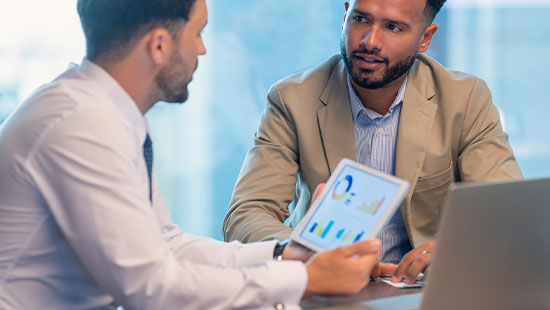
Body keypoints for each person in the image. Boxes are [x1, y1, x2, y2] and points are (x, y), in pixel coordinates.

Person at [0, 1, 384, 309]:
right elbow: (151, 289)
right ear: (159, 45)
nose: (202, 47)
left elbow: (166, 244)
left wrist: (287, 253)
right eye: (198, 32)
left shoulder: (106, 112)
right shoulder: (83, 125)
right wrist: (307, 279)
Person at [223, 0, 523, 284]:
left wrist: (451, 253)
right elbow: (246, 214)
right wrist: (303, 252)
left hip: (424, 290)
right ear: (345, 16)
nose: (369, 41)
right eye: (360, 19)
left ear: (425, 38)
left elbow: (507, 216)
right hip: (326, 290)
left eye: (393, 27)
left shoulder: (465, 99)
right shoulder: (292, 99)